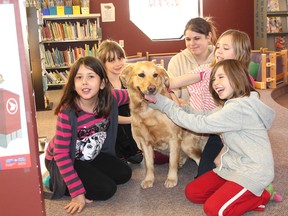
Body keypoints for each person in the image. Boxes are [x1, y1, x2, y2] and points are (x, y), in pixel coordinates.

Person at [146, 59, 277, 215]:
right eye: (213, 79)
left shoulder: (239, 107)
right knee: (193, 192)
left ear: (237, 77)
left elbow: (200, 124)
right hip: (234, 167)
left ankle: (262, 195)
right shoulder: (230, 104)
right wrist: (174, 105)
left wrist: (165, 105)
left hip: (252, 172)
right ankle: (240, 192)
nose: (215, 82)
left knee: (215, 210)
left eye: (221, 77)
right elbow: (203, 114)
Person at [44, 56, 132, 214]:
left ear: (102, 83)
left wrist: (161, 91)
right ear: (73, 84)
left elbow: (134, 93)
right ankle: (55, 181)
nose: (84, 81)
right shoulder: (68, 112)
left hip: (90, 154)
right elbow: (61, 154)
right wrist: (77, 192)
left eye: (91, 76)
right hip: (63, 159)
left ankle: (83, 175)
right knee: (106, 190)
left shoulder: (110, 98)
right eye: (79, 77)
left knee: (124, 173)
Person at [169, 29, 255, 177]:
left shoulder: (246, 81)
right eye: (218, 46)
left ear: (241, 53)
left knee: (236, 170)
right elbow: (173, 82)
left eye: (226, 48)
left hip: (236, 135)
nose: (219, 51)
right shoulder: (207, 70)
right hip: (214, 130)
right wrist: (169, 91)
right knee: (203, 176)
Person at [154, 16, 217, 164]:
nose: (192, 43)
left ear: (209, 37)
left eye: (197, 38)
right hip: (185, 114)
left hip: (212, 115)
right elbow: (170, 91)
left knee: (213, 152)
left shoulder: (219, 57)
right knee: (158, 157)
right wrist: (179, 102)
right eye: (188, 39)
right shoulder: (177, 60)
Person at [97, 39, 143, 164]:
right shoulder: (101, 84)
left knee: (138, 159)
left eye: (120, 58)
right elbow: (107, 117)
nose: (118, 63)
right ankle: (118, 151)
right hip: (110, 129)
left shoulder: (127, 79)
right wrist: (133, 119)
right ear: (103, 63)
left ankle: (131, 147)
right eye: (112, 61)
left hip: (129, 128)